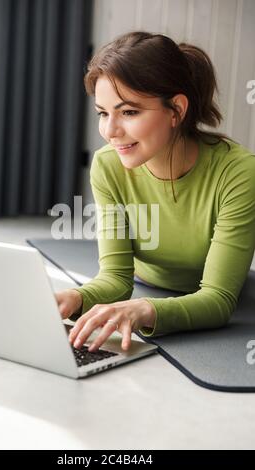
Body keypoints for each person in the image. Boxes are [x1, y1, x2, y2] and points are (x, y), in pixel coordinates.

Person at [55, 31, 255, 354]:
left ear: (176, 109)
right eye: (103, 113)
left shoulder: (239, 173)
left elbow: (218, 299)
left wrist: (144, 309)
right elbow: (117, 279)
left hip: (208, 297)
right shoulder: (107, 166)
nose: (109, 131)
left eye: (129, 112)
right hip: (144, 283)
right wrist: (74, 298)